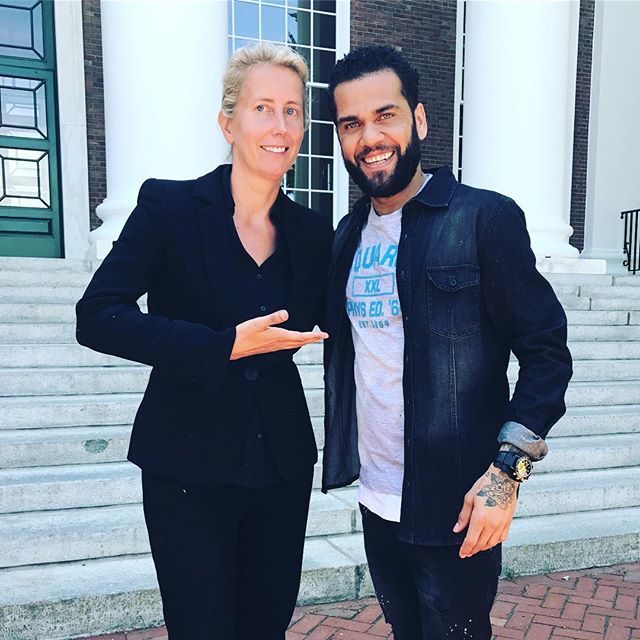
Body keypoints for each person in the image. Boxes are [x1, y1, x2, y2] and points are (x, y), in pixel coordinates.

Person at [76, 43, 333, 640]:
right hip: (185, 465)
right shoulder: (169, 207)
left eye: (292, 111)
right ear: (228, 123)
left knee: (266, 627)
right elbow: (98, 315)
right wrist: (220, 347)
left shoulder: (312, 231)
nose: (279, 125)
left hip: (281, 465)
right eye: (262, 108)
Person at [321, 45, 572, 640]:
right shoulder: (346, 237)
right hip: (378, 498)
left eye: (385, 116)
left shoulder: (483, 218)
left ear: (420, 120)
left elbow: (547, 352)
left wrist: (506, 474)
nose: (370, 138)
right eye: (351, 124)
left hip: (458, 503)